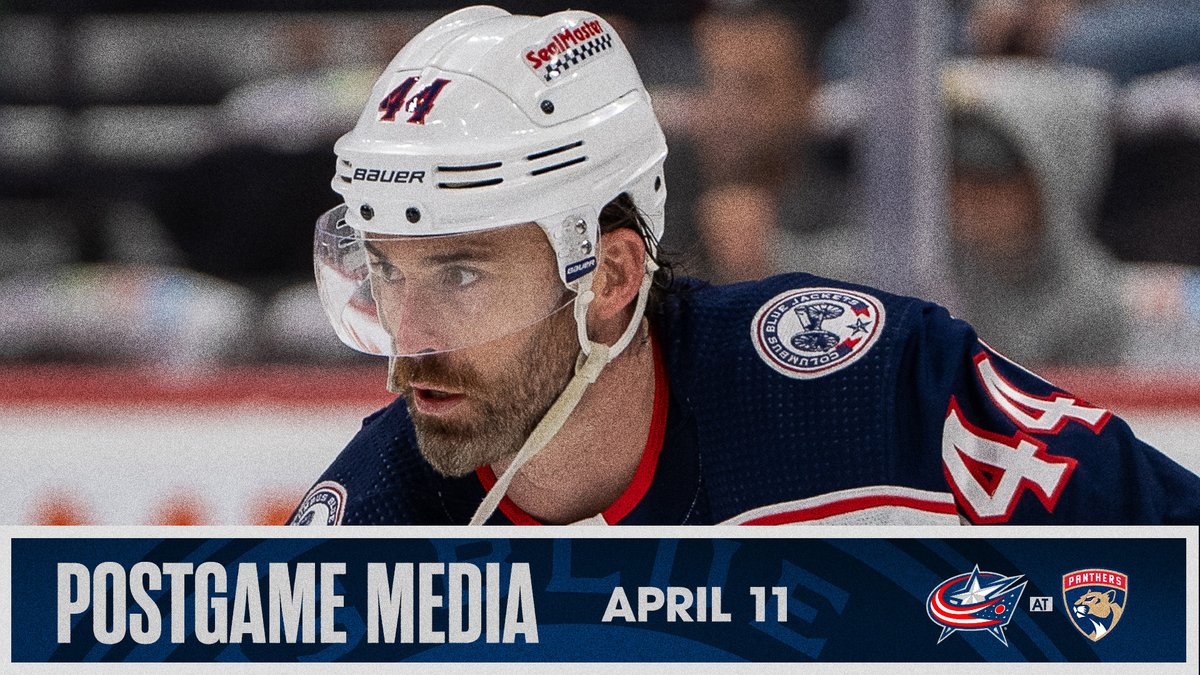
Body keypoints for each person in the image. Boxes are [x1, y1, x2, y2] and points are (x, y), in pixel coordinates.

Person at [291, 6, 1200, 527]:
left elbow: (1173, 557)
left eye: (458, 275)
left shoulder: (861, 387)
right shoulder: (376, 517)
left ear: (608, 280)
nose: (405, 346)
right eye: (386, 272)